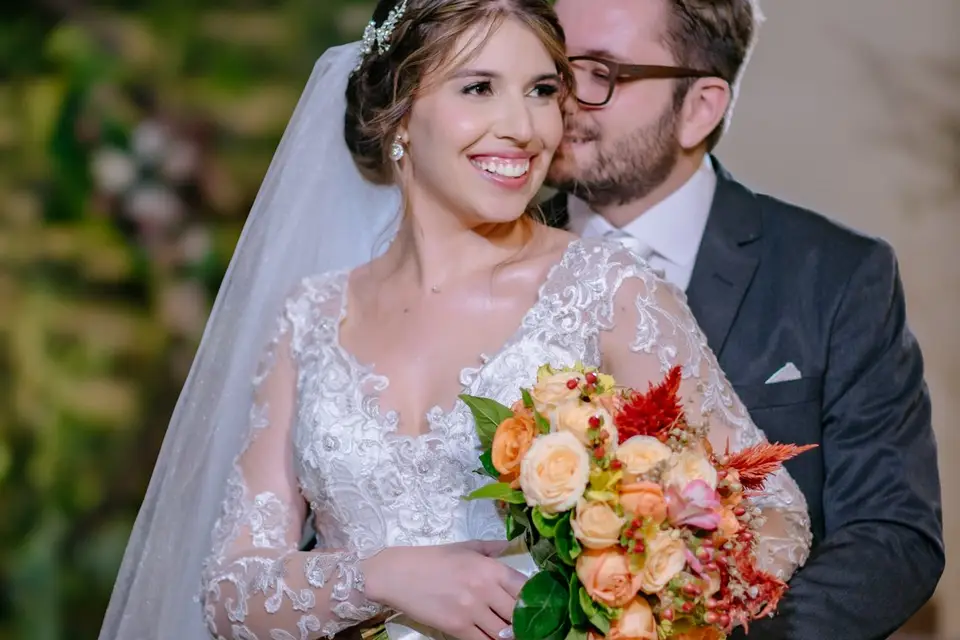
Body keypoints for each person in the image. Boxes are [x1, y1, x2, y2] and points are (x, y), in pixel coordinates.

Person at [97, 1, 813, 639]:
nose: (523, 128)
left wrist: (614, 588)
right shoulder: (311, 315)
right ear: (399, 115)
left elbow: (774, 518)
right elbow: (231, 591)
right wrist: (380, 576)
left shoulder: (608, 291)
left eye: (542, 91)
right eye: (478, 88)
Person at [543, 0, 945, 637]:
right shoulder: (478, 253)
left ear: (700, 108)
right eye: (554, 67)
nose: (562, 98)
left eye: (602, 73)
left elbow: (892, 534)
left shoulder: (836, 276)